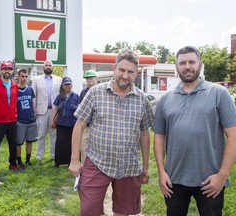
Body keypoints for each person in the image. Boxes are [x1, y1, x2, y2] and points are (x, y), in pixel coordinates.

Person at [153, 46, 236, 216]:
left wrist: (222, 175)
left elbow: (233, 136)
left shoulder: (219, 93)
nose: (187, 66)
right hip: (173, 180)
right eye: (182, 63)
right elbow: (159, 137)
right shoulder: (166, 99)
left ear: (200, 64)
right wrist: (161, 172)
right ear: (177, 67)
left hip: (210, 180)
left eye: (192, 61)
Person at [69, 50, 154, 216]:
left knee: (124, 212)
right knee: (88, 211)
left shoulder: (142, 99)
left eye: (130, 72)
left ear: (136, 73)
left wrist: (145, 166)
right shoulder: (95, 93)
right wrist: (74, 160)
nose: (125, 75)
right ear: (114, 68)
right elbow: (79, 126)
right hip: (97, 162)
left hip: (129, 166)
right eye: (122, 70)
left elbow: (145, 133)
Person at [32, 60, 62, 162]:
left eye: (50, 65)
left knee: (54, 134)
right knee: (41, 135)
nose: (48, 66)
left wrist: (59, 112)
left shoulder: (59, 79)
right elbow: (33, 96)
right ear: (43, 67)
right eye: (46, 65)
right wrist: (34, 111)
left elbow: (61, 96)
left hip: (54, 111)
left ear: (52, 67)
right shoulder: (36, 80)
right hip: (41, 111)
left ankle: (53, 155)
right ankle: (39, 156)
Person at [52, 77, 79, 168]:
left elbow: (80, 109)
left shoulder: (76, 96)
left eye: (69, 84)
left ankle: (70, 162)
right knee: (59, 143)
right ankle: (58, 162)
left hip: (72, 124)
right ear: (62, 86)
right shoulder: (59, 96)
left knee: (71, 143)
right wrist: (53, 119)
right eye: (65, 84)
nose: (67, 86)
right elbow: (55, 108)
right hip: (61, 123)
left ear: (72, 85)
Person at [16, 69, 38, 169]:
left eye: (26, 76)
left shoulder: (30, 89)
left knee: (29, 141)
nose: (24, 78)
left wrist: (34, 113)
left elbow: (33, 102)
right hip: (20, 120)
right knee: (19, 142)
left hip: (31, 119)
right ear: (18, 76)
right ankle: (19, 161)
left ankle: (28, 160)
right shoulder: (14, 90)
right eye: (22, 76)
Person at [78, 70, 98, 162]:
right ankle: (86, 167)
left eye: (91, 77)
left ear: (96, 78)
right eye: (87, 78)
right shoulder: (83, 92)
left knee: (98, 147)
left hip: (98, 126)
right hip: (86, 125)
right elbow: (80, 108)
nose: (89, 79)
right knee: (83, 146)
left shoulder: (102, 91)